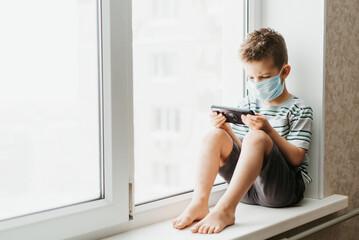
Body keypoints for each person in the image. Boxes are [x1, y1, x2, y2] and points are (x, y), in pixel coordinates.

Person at [172, 28, 313, 234]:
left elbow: (296, 159)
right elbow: (245, 151)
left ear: (284, 72)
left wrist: (268, 131)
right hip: (248, 188)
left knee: (256, 137)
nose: (257, 83)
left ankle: (225, 209)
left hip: (283, 191)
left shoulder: (299, 109)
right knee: (215, 135)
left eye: (264, 77)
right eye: (252, 78)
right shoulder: (247, 103)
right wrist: (226, 129)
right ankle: (200, 202)